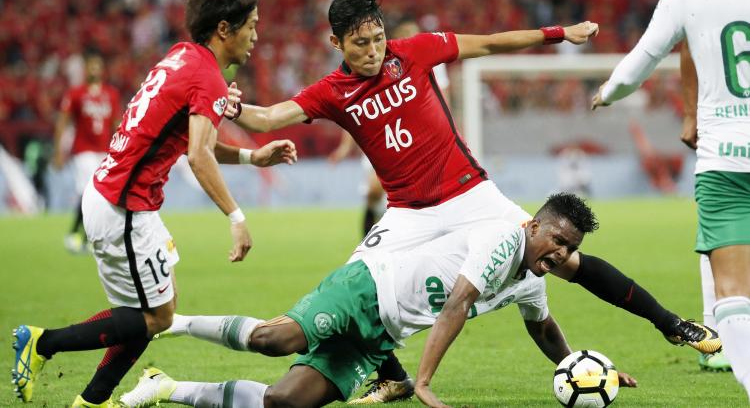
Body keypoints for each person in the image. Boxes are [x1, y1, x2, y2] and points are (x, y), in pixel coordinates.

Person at [223, 0, 720, 403]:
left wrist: (557, 34)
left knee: (566, 261)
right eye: (360, 44)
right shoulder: (331, 91)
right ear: (337, 43)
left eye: (378, 39)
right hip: (407, 214)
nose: (373, 51)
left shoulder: (414, 52)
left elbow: (489, 44)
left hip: (471, 195)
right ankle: (392, 373)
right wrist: (229, 104)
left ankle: (672, 323)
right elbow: (267, 118)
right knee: (361, 285)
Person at [11, 0, 297, 406]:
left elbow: (191, 141)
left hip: (115, 197)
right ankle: (42, 343)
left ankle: (93, 398)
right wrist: (237, 218)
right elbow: (199, 156)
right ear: (225, 28)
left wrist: (252, 158)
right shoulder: (207, 77)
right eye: (251, 25)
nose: (256, 35)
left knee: (154, 311)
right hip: (124, 207)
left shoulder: (183, 56)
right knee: (155, 316)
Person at [119, 193, 638, 407]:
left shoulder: (531, 279)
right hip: (366, 288)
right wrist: (424, 383)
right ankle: (172, 323)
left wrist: (584, 366)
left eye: (569, 249)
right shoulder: (504, 239)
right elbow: (457, 304)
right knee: (276, 339)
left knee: (283, 402)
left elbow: (544, 328)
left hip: (380, 335)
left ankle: (167, 386)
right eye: (556, 240)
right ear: (534, 226)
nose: (560, 252)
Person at [592, 0, 750, 399]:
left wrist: (608, 92)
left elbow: (642, 61)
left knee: (732, 288)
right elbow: (689, 54)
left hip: (727, 159)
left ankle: (726, 348)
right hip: (723, 148)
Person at [328, 16, 451, 237]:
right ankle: (368, 236)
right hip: (384, 135)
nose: (413, 39)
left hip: (419, 138)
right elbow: (357, 107)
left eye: (416, 33)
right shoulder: (381, 64)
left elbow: (444, 101)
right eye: (408, 34)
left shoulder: (431, 61)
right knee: (374, 191)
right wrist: (345, 146)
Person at [679, 41, 732, 372]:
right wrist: (690, 113)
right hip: (723, 123)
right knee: (717, 225)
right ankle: (714, 335)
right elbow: (688, 47)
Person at [53, 51, 121, 254]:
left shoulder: (111, 94)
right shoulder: (76, 93)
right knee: (87, 192)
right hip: (83, 151)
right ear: (85, 69)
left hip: (104, 151)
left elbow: (117, 124)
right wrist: (58, 151)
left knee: (101, 196)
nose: (94, 69)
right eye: (90, 66)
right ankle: (76, 234)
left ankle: (87, 237)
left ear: (102, 69)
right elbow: (62, 123)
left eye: (97, 66)